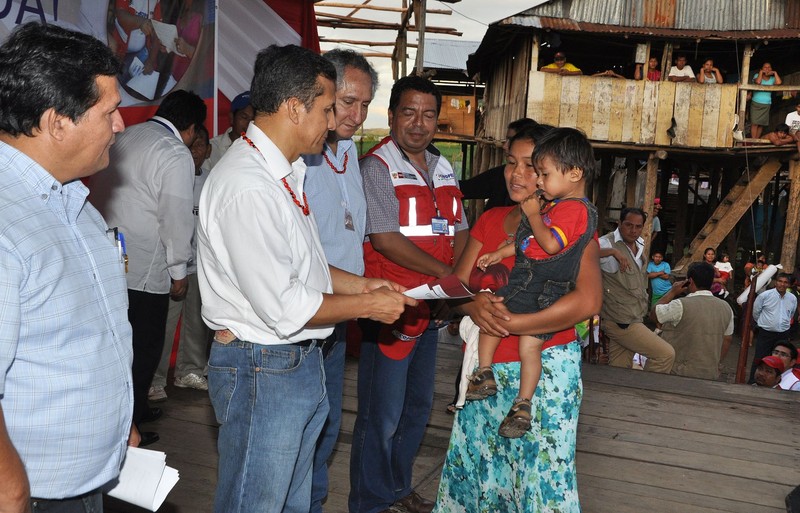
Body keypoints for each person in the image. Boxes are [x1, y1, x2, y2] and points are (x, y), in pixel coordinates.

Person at [196, 44, 413, 513]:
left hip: (291, 362)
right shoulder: (247, 186)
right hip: (262, 365)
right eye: (328, 108)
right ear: (295, 108)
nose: (335, 121)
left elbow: (305, 267)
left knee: (292, 504)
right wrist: (369, 306)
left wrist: (362, 286)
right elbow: (285, 304)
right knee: (256, 503)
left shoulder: (286, 172)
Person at [0, 22, 137, 511]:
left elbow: (85, 330)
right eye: (111, 111)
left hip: (88, 476)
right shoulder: (6, 224)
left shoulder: (72, 201)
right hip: (34, 493)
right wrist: (10, 489)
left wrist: (121, 420)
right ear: (58, 122)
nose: (121, 126)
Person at [434, 125, 602, 512]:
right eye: (511, 163)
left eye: (532, 166)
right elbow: (457, 286)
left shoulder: (569, 221)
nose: (519, 174)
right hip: (484, 373)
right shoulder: (491, 219)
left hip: (544, 371)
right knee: (483, 475)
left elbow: (588, 301)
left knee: (538, 484)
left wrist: (513, 324)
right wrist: (473, 305)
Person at [349, 75, 469, 513]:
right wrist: (449, 278)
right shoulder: (376, 167)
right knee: (380, 415)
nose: (418, 124)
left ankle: (398, 488)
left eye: (428, 114)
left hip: (432, 311)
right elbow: (384, 239)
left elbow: (460, 230)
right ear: (392, 115)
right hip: (391, 311)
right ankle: (369, 501)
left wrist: (454, 284)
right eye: (408, 112)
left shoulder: (444, 166)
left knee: (417, 408)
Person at [90, 89, 207, 447]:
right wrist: (178, 271)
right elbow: (174, 217)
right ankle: (132, 423)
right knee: (143, 349)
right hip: (145, 267)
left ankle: (130, 411)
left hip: (108, 255)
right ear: (189, 128)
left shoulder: (128, 135)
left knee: (117, 346)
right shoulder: (174, 152)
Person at [467, 128, 597, 438]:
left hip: (538, 289)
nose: (535, 180)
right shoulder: (546, 211)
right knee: (527, 346)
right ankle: (519, 401)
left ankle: (489, 375)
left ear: (575, 173)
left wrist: (533, 215)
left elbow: (550, 246)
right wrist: (500, 252)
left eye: (541, 172)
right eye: (513, 163)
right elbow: (530, 243)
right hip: (538, 294)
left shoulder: (573, 212)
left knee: (497, 321)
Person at [302, 48, 378, 513]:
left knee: (328, 426)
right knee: (302, 428)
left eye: (365, 104)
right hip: (305, 315)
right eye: (348, 102)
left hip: (341, 316)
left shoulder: (350, 154)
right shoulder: (300, 159)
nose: (356, 114)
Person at [149, 124, 213, 403]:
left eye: (200, 146)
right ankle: (156, 378)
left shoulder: (213, 180)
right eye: (190, 145)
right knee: (165, 324)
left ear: (208, 150)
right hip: (173, 266)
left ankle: (190, 370)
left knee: (198, 322)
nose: (194, 151)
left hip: (202, 265)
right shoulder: (174, 175)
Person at [599, 207, 675, 372]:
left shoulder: (640, 243)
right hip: (621, 321)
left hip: (633, 316)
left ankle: (620, 396)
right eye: (628, 225)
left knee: (619, 370)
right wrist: (613, 252)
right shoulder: (607, 242)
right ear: (619, 223)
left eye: (638, 226)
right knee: (665, 355)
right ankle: (647, 394)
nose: (633, 230)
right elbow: (583, 253)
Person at [650, 262, 734, 380]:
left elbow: (654, 314)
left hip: (679, 372)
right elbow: (727, 339)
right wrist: (716, 364)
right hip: (709, 372)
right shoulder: (726, 308)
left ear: (690, 281)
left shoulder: (680, 305)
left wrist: (672, 292)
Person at [459, 118, 536, 211]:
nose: (505, 146)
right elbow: (468, 188)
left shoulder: (544, 219)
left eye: (529, 165)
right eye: (512, 162)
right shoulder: (501, 175)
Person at [749, 273, 797, 383]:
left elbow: (791, 313)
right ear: (776, 282)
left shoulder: (792, 298)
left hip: (783, 333)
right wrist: (765, 323)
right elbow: (756, 312)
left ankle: (776, 382)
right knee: (760, 357)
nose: (782, 284)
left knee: (780, 360)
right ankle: (753, 381)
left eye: (785, 282)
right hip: (766, 333)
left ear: (788, 284)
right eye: (780, 281)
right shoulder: (765, 296)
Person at [207, 91, 253, 169]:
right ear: (232, 118)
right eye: (244, 117)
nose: (249, 124)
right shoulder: (213, 148)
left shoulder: (261, 150)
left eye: (253, 120)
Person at [750, 62, 782, 139]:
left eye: (769, 67)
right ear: (761, 69)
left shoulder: (772, 79)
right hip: (756, 103)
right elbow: (758, 82)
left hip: (767, 103)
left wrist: (775, 73)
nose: (767, 69)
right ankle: (753, 140)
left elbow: (779, 83)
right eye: (765, 67)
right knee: (754, 123)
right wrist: (761, 72)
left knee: (761, 124)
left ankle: (756, 141)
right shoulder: (756, 76)